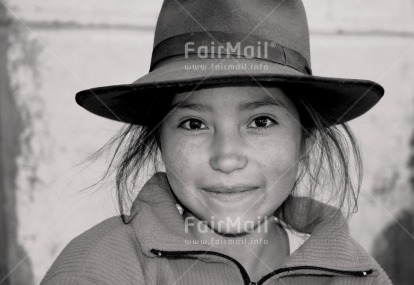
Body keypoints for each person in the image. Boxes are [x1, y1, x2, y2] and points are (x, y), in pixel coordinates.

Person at [42, 0, 393, 284]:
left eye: (260, 121)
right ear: (159, 139)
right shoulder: (95, 270)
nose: (226, 158)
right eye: (194, 124)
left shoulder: (357, 277)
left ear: (305, 141)